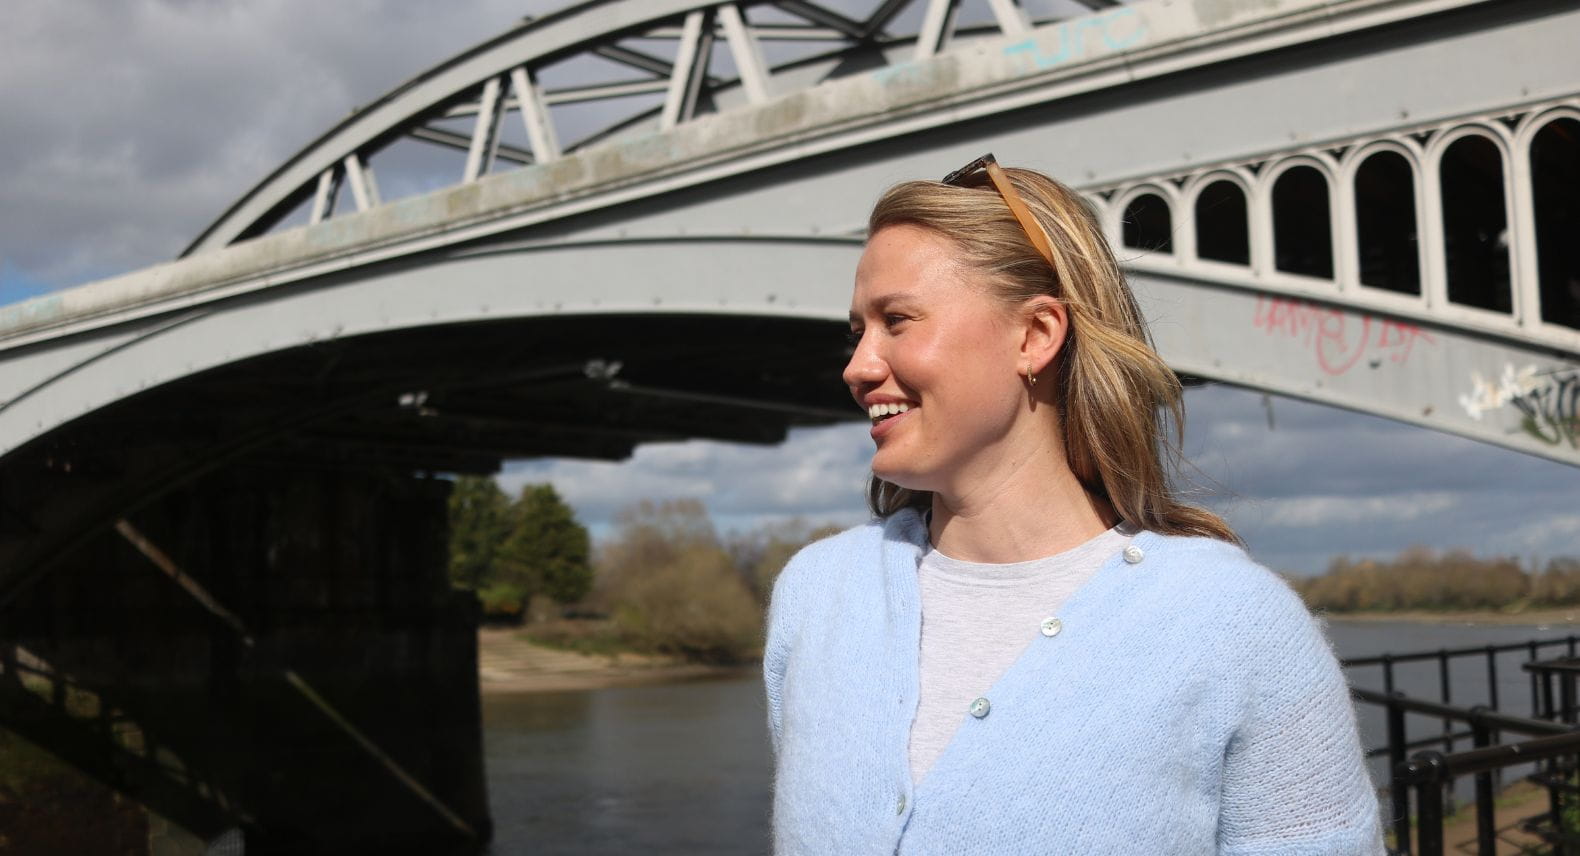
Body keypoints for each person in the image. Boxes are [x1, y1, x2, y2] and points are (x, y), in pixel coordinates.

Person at [762, 155, 1384, 854]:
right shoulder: (818, 598)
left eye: (897, 321)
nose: (858, 365)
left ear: (1035, 336)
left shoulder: (1232, 626)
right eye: (857, 332)